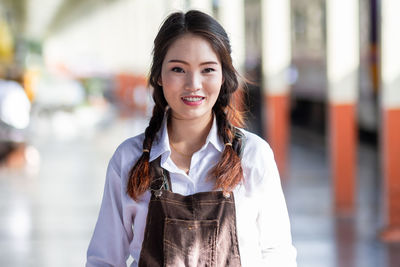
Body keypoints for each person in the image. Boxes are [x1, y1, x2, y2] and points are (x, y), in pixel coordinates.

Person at [86, 10, 297, 267]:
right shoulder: (128, 158)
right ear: (159, 76)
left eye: (207, 69)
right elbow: (104, 260)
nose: (193, 84)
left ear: (224, 77)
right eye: (178, 69)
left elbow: (277, 254)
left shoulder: (253, 155)